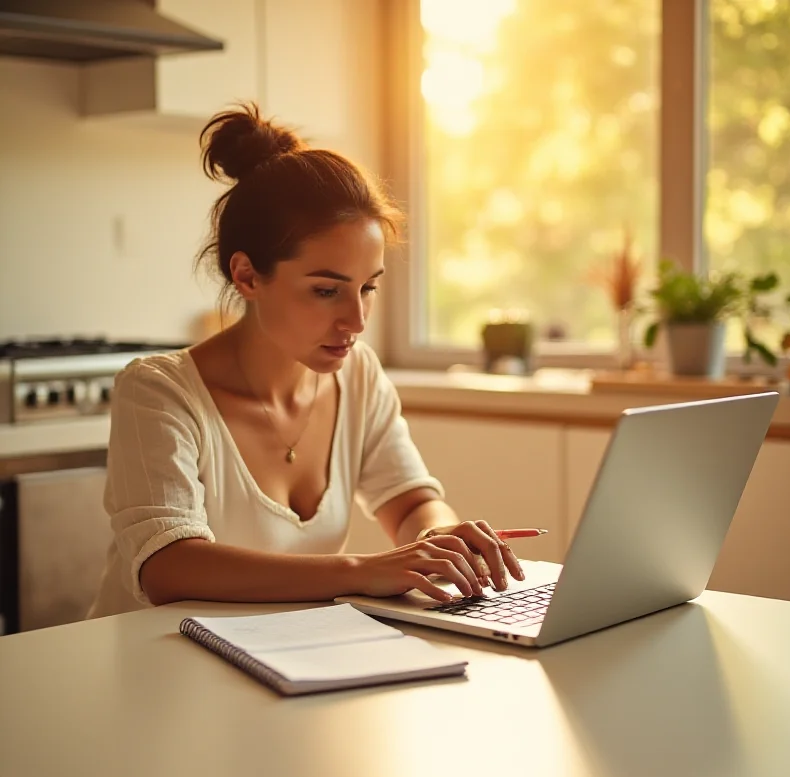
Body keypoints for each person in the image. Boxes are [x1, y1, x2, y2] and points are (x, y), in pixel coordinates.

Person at [88, 102, 525, 619]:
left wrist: (438, 539)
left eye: (368, 288)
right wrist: (362, 571)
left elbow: (408, 501)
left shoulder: (358, 375)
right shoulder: (159, 392)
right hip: (152, 672)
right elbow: (166, 567)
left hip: (283, 664)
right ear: (248, 276)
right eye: (325, 291)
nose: (356, 321)